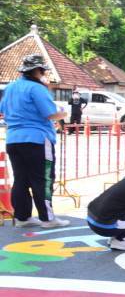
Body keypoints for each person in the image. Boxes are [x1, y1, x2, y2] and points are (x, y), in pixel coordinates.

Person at [0, 54, 69, 228]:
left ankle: (22, 217)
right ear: (38, 70)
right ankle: (48, 219)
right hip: (37, 139)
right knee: (43, 180)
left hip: (13, 139)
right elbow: (50, 113)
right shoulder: (37, 88)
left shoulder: (10, 87)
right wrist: (64, 113)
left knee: (21, 179)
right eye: (43, 70)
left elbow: (3, 110)